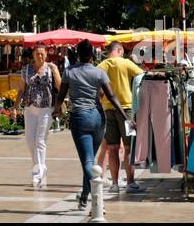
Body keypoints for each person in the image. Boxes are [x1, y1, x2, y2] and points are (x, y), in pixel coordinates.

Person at [53, 39, 127, 209]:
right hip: (98, 118)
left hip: (80, 118)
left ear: (78, 55)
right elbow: (111, 96)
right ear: (92, 55)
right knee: (91, 161)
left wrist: (57, 109)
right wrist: (125, 116)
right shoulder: (99, 72)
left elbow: (61, 94)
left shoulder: (69, 72)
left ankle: (99, 192)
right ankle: (85, 197)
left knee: (87, 162)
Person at [96, 41, 144, 193]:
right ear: (119, 50)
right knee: (129, 147)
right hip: (127, 111)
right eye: (122, 52)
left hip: (108, 110)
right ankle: (130, 182)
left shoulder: (101, 66)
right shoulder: (125, 63)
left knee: (112, 148)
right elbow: (141, 75)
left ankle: (115, 184)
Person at [19, 45, 61, 189]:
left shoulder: (50, 69)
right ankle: (41, 167)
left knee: (40, 140)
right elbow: (21, 89)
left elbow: (60, 87)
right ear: (33, 55)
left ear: (46, 55)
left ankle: (38, 174)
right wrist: (14, 106)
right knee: (30, 141)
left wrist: (56, 72)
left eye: (42, 54)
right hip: (30, 107)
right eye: (37, 54)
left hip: (45, 108)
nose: (40, 56)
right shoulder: (26, 69)